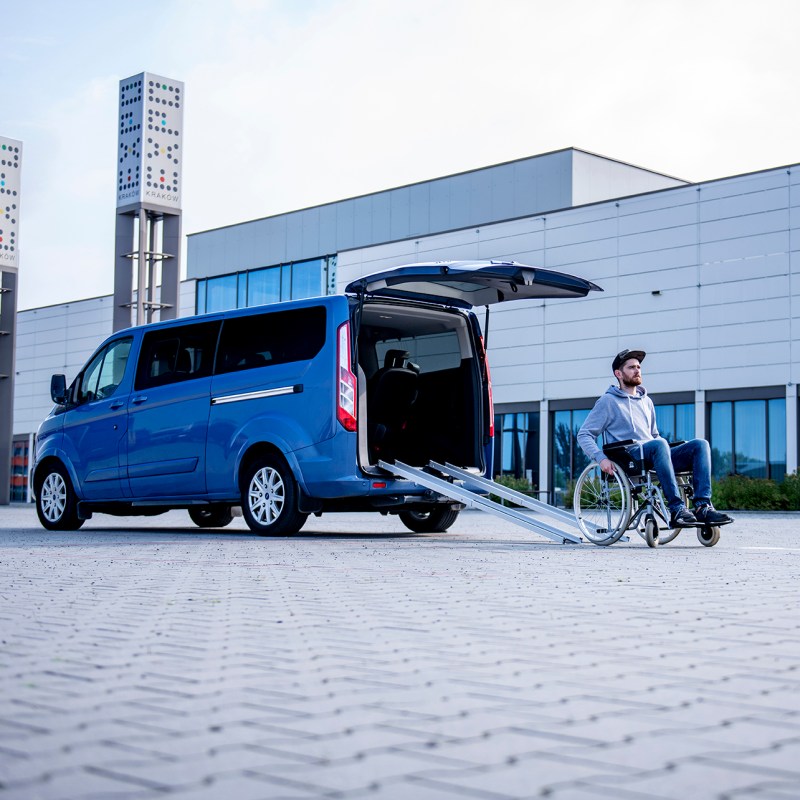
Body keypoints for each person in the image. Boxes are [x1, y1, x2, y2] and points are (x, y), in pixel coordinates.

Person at [576, 349, 732, 528]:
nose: (637, 370)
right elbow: (584, 434)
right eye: (631, 367)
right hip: (630, 456)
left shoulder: (646, 401)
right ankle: (677, 509)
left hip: (653, 453)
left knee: (700, 445)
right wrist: (600, 458)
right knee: (659, 444)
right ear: (618, 374)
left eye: (638, 367)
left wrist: (663, 447)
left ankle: (703, 507)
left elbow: (654, 435)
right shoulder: (607, 401)